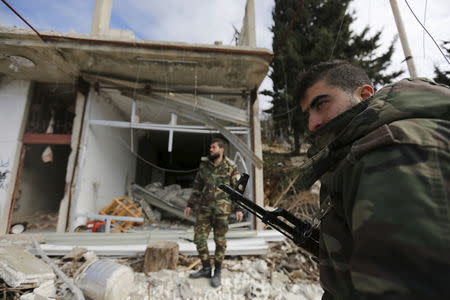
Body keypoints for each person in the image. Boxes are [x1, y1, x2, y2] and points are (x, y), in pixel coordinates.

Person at [295, 60, 450, 299]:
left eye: (321, 104)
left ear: (364, 94)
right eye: (308, 113)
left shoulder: (392, 147)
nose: (312, 123)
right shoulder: (356, 153)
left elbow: (403, 286)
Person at [184, 138, 243, 288]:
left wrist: (238, 208)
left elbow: (237, 190)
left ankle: (217, 271)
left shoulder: (231, 167)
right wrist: (190, 204)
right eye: (210, 147)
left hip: (222, 211)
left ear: (221, 149)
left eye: (214, 147)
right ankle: (205, 268)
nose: (211, 150)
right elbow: (197, 186)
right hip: (204, 209)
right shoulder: (204, 167)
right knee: (199, 238)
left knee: (220, 241)